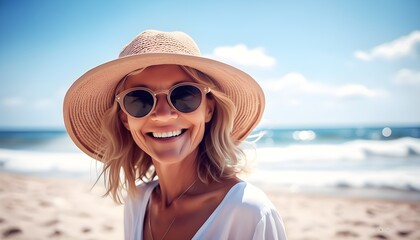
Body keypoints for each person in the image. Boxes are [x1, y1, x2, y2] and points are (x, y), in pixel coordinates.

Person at [64, 30, 287, 240]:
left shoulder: (250, 211)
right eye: (139, 100)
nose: (163, 115)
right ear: (125, 118)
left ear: (208, 109)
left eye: (184, 95)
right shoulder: (137, 202)